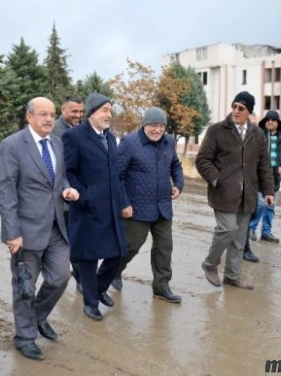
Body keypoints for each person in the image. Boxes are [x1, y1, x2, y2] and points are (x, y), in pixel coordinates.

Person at [0, 97, 79, 360]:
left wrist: (66, 187)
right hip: (25, 230)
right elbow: (5, 190)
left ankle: (37, 317)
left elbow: (59, 175)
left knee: (60, 277)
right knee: (25, 287)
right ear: (29, 116)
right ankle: (25, 336)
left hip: (56, 225)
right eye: (42, 114)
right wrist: (12, 232)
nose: (48, 119)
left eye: (52, 115)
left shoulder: (56, 142)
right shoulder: (12, 145)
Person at [195, 91, 274, 289]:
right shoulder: (216, 130)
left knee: (239, 238)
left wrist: (268, 191)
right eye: (234, 106)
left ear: (249, 112)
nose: (236, 111)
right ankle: (210, 264)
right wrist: (217, 180)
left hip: (247, 195)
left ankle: (232, 275)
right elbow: (202, 160)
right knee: (227, 229)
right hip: (223, 192)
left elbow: (264, 165)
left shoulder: (257, 135)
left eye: (242, 108)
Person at [62, 92, 127, 321]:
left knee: (119, 251)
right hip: (87, 208)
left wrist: (123, 201)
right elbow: (68, 172)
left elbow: (115, 174)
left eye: (110, 110)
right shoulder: (74, 137)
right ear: (92, 113)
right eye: (105, 110)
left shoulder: (110, 138)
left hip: (110, 207)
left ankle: (99, 288)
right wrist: (84, 197)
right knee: (88, 258)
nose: (109, 115)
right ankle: (90, 304)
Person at [114, 107, 184, 303]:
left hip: (163, 206)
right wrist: (124, 203)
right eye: (154, 125)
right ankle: (113, 271)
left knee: (164, 248)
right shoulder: (129, 143)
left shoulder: (169, 141)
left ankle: (162, 287)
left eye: (162, 126)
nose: (158, 130)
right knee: (131, 246)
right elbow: (116, 176)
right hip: (136, 207)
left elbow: (175, 165)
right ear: (145, 125)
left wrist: (178, 184)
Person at [50, 95, 85, 290]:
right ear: (63, 110)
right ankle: (81, 279)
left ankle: (80, 274)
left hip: (80, 192)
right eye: (74, 111)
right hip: (63, 196)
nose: (78, 115)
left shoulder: (81, 129)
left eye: (80, 112)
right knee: (71, 239)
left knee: (81, 237)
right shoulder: (55, 131)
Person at [248, 110, 281, 244]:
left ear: (278, 123)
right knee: (259, 203)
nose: (270, 122)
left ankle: (266, 232)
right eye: (268, 119)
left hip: (275, 177)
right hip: (260, 175)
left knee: (270, 206)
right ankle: (251, 228)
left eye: (273, 120)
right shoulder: (258, 134)